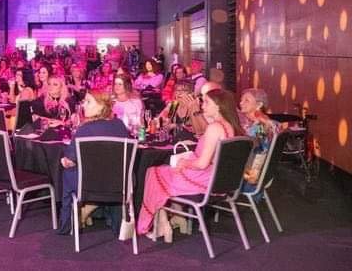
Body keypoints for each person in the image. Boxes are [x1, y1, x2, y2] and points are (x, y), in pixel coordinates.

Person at [137, 89, 244, 240]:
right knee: (161, 172)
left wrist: (184, 162)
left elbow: (201, 163)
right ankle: (169, 220)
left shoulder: (215, 128)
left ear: (218, 106)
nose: (203, 105)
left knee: (154, 173)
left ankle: (160, 224)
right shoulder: (228, 126)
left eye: (206, 102)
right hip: (218, 181)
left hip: (204, 180)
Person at [57, 90, 130, 234]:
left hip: (89, 186)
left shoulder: (84, 130)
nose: (84, 105)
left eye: (89, 102)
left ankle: (67, 224)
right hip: (118, 184)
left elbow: (70, 161)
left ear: (102, 107)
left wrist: (63, 161)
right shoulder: (120, 125)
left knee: (66, 172)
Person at [238, 88, 281, 189]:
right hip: (258, 176)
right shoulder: (259, 121)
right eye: (241, 100)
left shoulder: (262, 125)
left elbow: (256, 145)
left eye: (246, 100)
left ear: (259, 105)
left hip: (249, 179)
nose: (241, 103)